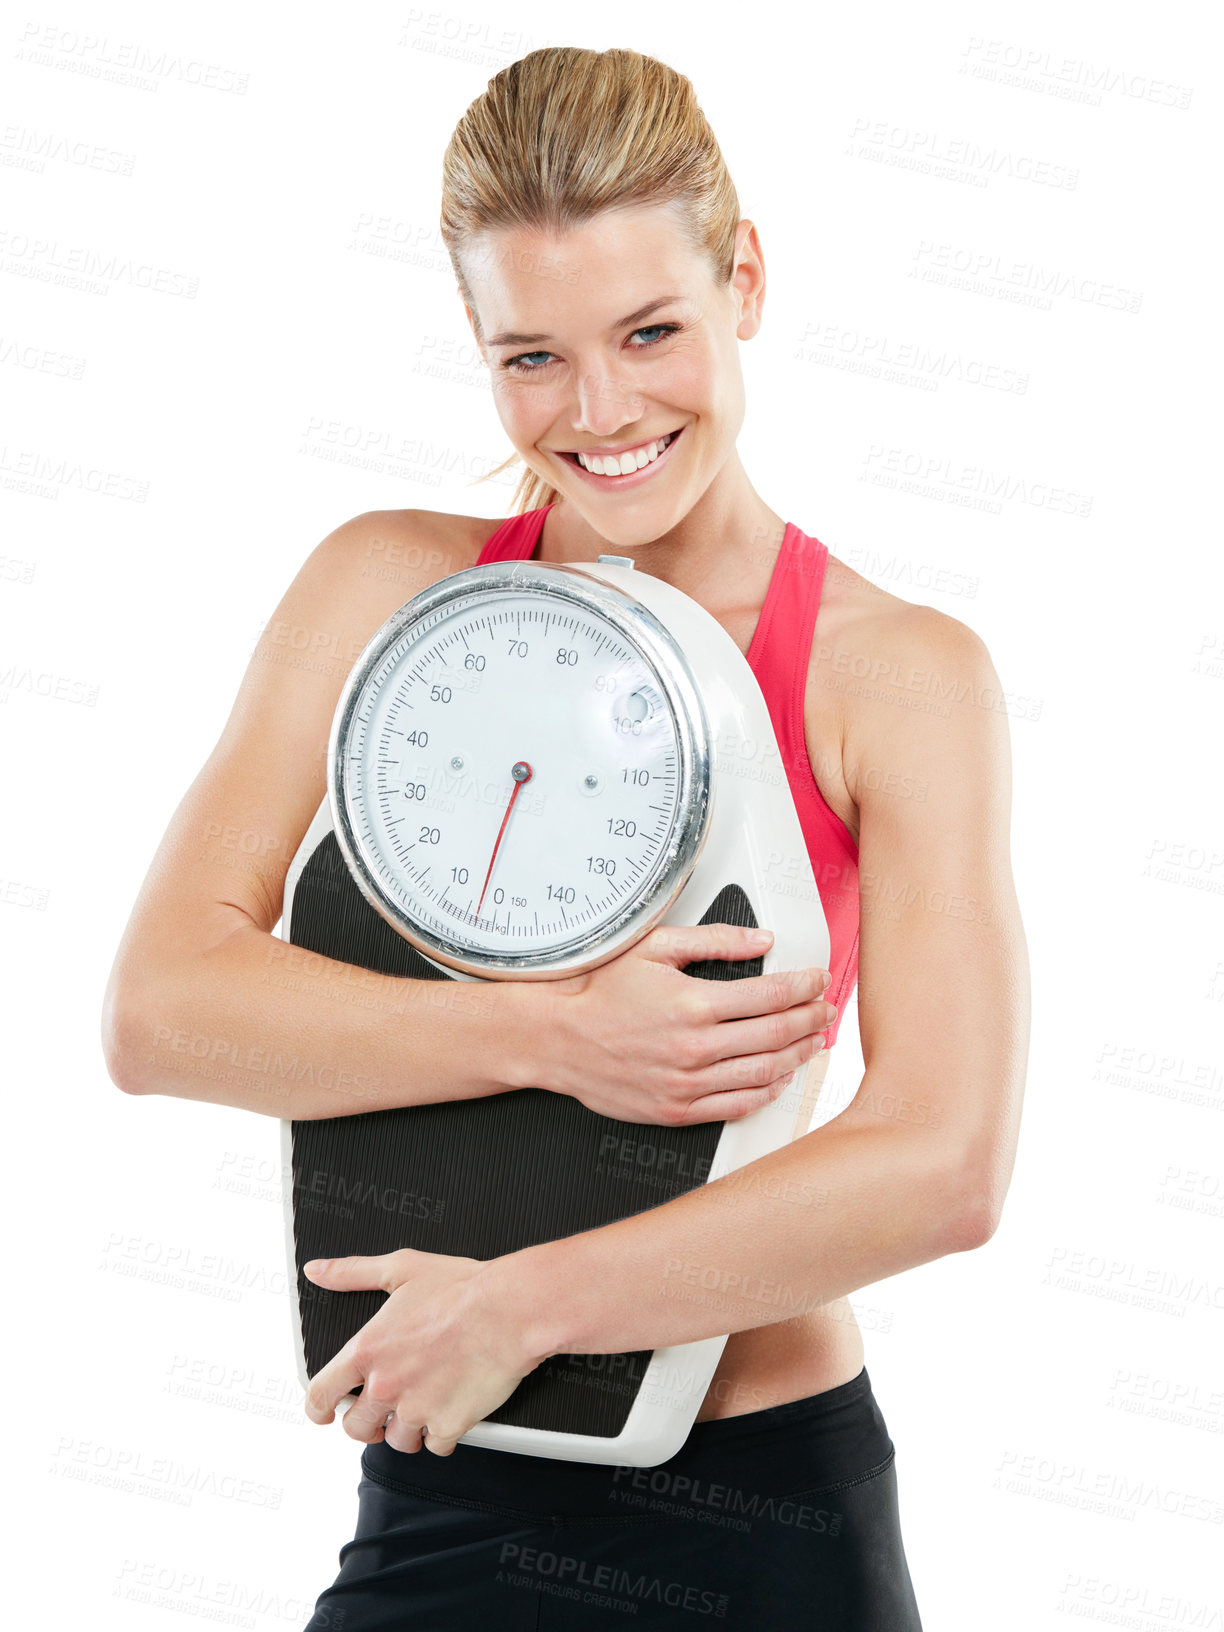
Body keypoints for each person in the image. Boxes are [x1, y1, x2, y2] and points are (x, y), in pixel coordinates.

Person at [102, 44, 1029, 1631]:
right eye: (532, 357)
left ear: (745, 279)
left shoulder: (896, 673)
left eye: (651, 331)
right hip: (446, 1478)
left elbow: (945, 1163)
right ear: (475, 344)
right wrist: (558, 1038)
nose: (601, 412)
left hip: (764, 1501)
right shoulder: (387, 594)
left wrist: (522, 1307)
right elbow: (163, 1011)